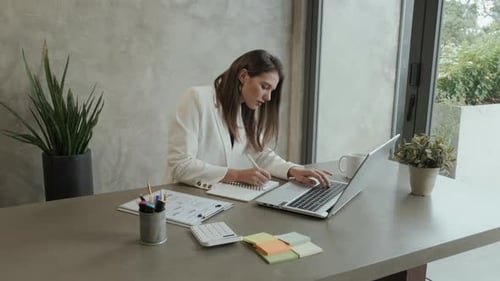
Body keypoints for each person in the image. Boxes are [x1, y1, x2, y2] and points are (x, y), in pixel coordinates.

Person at [166, 49, 331, 190]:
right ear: (243, 76)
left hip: (222, 199)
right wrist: (236, 175)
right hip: (189, 198)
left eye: (272, 90)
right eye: (265, 87)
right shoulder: (197, 98)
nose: (268, 97)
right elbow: (180, 166)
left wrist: (293, 170)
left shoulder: (244, 111)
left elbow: (261, 155)